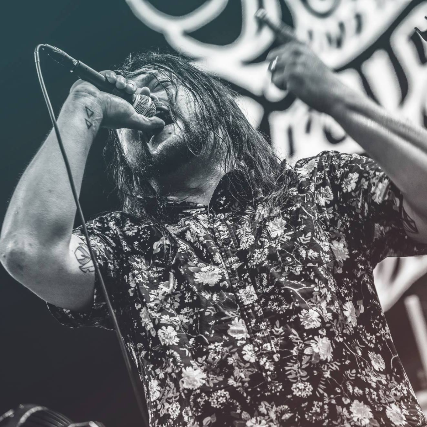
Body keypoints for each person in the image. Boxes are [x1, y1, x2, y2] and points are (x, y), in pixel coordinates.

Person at [2, 31, 427, 427]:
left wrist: (337, 98)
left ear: (212, 101)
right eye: (128, 103)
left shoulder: (319, 187)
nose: (142, 100)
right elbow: (27, 251)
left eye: (159, 85)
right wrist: (83, 105)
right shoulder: (125, 245)